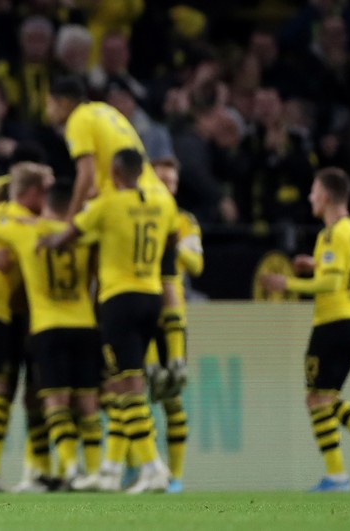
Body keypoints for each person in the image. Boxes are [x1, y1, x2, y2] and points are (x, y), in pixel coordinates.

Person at [38, 148, 179, 494]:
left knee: (126, 385)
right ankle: (120, 469)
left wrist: (48, 240)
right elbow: (170, 243)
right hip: (151, 296)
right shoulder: (163, 205)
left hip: (120, 301)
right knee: (128, 387)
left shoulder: (108, 205)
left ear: (115, 174)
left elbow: (69, 235)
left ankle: (152, 466)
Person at [260, 167, 350, 492]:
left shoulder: (330, 234)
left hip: (331, 323)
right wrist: (315, 265)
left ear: (325, 196)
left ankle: (338, 476)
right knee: (326, 398)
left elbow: (331, 282)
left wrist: (288, 282)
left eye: (313, 191)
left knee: (316, 400)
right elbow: (346, 266)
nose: (311, 197)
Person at [0, 166, 104, 491]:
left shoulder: (25, 230)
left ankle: (71, 467)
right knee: (87, 404)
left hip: (47, 325)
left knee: (55, 402)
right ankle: (100, 472)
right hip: (85, 323)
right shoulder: (83, 233)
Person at [141, 157, 203, 494]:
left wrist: (177, 247)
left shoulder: (184, 221)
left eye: (173, 183)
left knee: (171, 399)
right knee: (135, 396)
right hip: (139, 313)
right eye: (162, 181)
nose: (168, 188)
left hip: (170, 320)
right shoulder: (139, 215)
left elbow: (196, 264)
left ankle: (175, 478)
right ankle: (146, 469)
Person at [44, 75, 154, 219]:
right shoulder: (105, 110)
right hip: (149, 193)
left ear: (63, 103)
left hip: (122, 198)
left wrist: (70, 218)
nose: (48, 112)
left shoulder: (78, 119)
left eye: (49, 104)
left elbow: (86, 176)